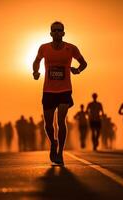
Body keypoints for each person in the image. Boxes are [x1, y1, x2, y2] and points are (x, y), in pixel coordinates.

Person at [33, 21, 87, 165]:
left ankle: (60, 153)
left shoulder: (71, 48)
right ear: (51, 33)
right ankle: (53, 143)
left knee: (61, 120)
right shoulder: (44, 48)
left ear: (63, 33)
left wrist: (78, 70)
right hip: (48, 91)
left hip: (64, 90)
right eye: (54, 30)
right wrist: (35, 72)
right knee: (48, 124)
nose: (57, 32)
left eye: (59, 30)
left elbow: (84, 63)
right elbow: (36, 61)